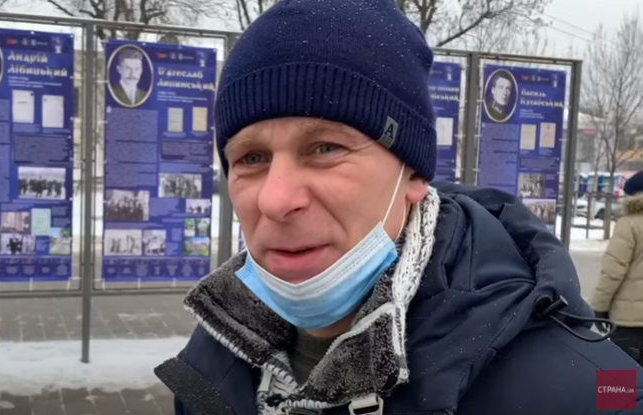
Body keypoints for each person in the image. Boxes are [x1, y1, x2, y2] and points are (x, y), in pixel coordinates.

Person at [153, 0, 643, 414]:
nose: (276, 199)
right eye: (251, 158)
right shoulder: (215, 358)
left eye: (325, 148)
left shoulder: (599, 393)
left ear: (412, 175)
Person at [591, 171, 643, 364]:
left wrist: (599, 307)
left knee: (618, 379)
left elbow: (613, 271)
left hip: (629, 323)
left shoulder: (629, 224)